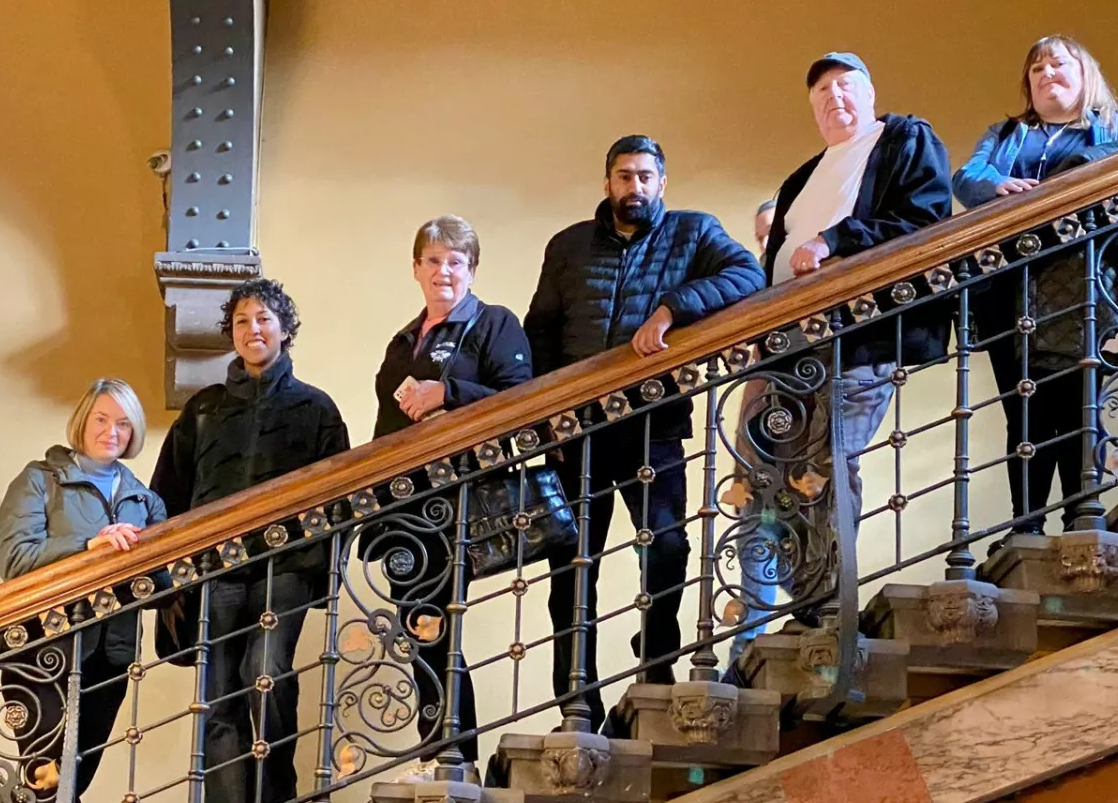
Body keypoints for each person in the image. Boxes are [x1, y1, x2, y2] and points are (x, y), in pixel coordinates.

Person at [524, 134, 764, 729]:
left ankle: (655, 664)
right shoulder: (568, 245)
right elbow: (541, 331)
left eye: (645, 177)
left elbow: (747, 275)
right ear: (607, 183)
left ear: (662, 182)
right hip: (576, 433)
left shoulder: (693, 231)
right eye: (624, 176)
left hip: (652, 421)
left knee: (668, 544)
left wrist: (671, 309)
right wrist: (547, 406)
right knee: (572, 569)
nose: (635, 187)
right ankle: (577, 700)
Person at [735, 53, 953, 653]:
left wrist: (834, 241)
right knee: (783, 473)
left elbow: (923, 217)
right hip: (789, 346)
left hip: (860, 333)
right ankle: (811, 605)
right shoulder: (801, 178)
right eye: (821, 91)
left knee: (830, 464)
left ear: (870, 91)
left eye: (844, 85)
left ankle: (834, 607)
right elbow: (774, 259)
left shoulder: (903, 138)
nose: (833, 96)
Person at [150, 277, 350, 803]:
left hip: (285, 569)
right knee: (219, 699)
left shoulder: (316, 408)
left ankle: (274, 794)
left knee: (266, 673)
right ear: (231, 334)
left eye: (263, 318)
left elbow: (340, 499)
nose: (252, 329)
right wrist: (171, 577)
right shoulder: (203, 409)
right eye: (242, 321)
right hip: (215, 572)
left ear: (284, 330)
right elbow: (166, 493)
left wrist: (316, 566)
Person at [952, 36, 1118, 539]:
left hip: (1080, 280)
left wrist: (1064, 179)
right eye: (1036, 68)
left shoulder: (1112, 126)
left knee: (1076, 400)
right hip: (1008, 286)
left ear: (1086, 75)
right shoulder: (1008, 132)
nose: (1045, 73)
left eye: (1058, 63)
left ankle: (1081, 514)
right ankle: (1027, 524)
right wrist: (997, 186)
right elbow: (967, 178)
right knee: (1024, 407)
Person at [371, 215, 532, 777]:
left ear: (472, 270)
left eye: (456, 262)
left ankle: (453, 753)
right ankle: (437, 749)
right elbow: (386, 428)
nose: (445, 271)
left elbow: (521, 401)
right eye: (434, 260)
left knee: (445, 629)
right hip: (407, 508)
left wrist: (449, 392)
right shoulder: (401, 341)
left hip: (463, 498)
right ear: (416, 269)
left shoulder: (494, 325)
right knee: (421, 634)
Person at [0, 378, 168, 801]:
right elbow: (13, 557)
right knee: (43, 781)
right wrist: (90, 548)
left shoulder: (144, 500)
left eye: (123, 424)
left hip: (111, 654)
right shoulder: (40, 479)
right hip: (40, 649)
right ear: (82, 422)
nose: (111, 431)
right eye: (101, 419)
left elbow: (166, 580)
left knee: (74, 782)